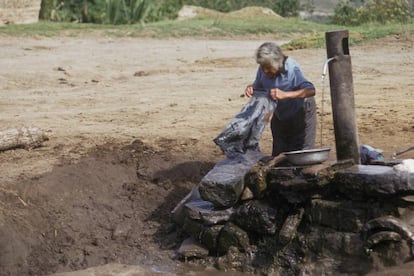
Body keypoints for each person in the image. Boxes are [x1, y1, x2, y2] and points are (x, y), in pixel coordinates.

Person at [245, 42, 317, 156]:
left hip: (301, 110)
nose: (265, 72)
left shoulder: (292, 69)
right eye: (263, 69)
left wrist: (285, 94)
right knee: (279, 152)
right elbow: (259, 88)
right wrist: (251, 88)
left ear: (278, 62)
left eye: (268, 69)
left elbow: (311, 90)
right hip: (280, 112)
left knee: (301, 152)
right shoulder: (263, 67)